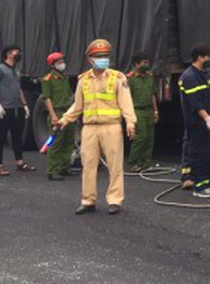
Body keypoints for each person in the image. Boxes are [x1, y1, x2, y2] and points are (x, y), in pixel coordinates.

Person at [54, 39, 136, 214]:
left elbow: (126, 103)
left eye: (105, 56)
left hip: (111, 127)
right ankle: (88, 200)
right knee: (88, 165)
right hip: (89, 129)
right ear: (90, 59)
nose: (103, 59)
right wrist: (64, 120)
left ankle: (115, 201)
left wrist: (130, 122)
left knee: (115, 166)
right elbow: (77, 106)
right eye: (99, 56)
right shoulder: (83, 80)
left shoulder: (118, 78)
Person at [179, 44, 210, 198]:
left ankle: (208, 180)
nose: (209, 59)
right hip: (196, 123)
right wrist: (207, 118)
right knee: (199, 153)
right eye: (207, 57)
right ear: (199, 58)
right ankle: (199, 186)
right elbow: (195, 102)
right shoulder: (189, 77)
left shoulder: (208, 73)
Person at [0, 44, 34, 175]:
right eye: (16, 52)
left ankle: (19, 161)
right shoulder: (1, 69)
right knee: (1, 137)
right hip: (5, 108)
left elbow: (18, 88)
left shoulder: (16, 70)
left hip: (17, 107)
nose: (18, 54)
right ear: (8, 54)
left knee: (17, 135)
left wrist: (24, 104)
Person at [41, 52, 75, 180]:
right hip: (57, 112)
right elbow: (47, 98)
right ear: (52, 65)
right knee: (55, 143)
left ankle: (64, 168)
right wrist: (53, 115)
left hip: (68, 113)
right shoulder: (48, 79)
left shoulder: (64, 77)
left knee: (68, 141)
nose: (62, 64)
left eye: (62, 61)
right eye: (59, 62)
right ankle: (53, 171)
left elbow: (69, 96)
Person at [126, 52, 158, 172]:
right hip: (137, 111)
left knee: (150, 138)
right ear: (136, 64)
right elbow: (127, 98)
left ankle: (145, 164)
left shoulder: (150, 77)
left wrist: (156, 112)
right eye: (144, 63)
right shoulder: (131, 79)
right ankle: (133, 163)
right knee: (141, 137)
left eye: (147, 62)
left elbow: (153, 95)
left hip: (149, 110)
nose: (147, 65)